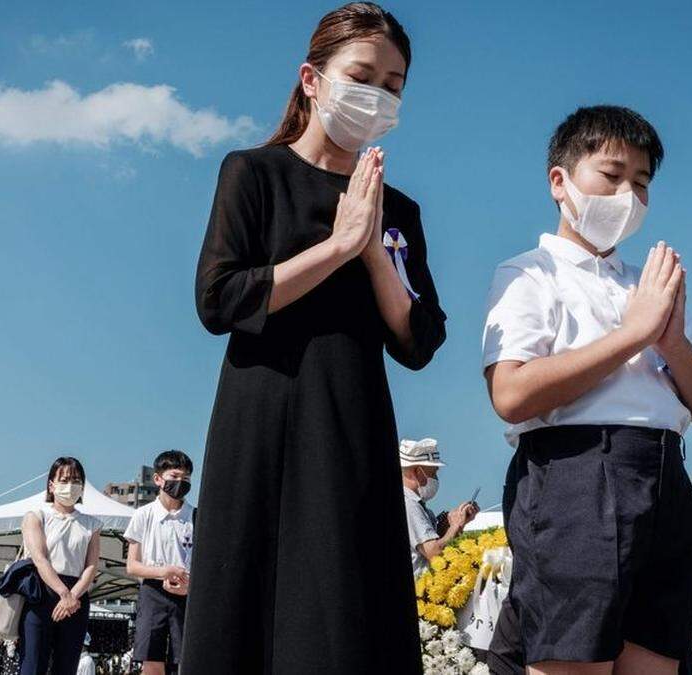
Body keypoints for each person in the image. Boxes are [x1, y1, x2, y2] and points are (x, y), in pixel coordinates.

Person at [186, 3, 446, 671]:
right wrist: (336, 247)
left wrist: (372, 250)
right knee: (249, 608)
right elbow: (219, 299)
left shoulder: (398, 209)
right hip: (262, 414)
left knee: (345, 609)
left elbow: (419, 341)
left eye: (394, 85)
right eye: (362, 75)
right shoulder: (253, 173)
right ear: (311, 79)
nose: (378, 95)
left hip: (352, 419)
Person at [482, 105, 692, 675]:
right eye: (612, 175)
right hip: (574, 472)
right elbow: (512, 392)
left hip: (666, 475)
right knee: (576, 660)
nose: (628, 195)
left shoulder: (649, 285)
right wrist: (633, 335)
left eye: (642, 184)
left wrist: (670, 342)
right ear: (561, 181)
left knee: (654, 662)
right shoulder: (529, 273)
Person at [18, 457, 100, 675]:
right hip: (41, 591)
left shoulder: (92, 524)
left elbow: (91, 566)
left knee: (66, 666)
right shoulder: (36, 516)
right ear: (51, 485)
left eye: (76, 480)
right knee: (33, 664)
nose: (70, 486)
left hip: (77, 596)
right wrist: (63, 593)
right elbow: (40, 558)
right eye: (64, 480)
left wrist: (73, 596)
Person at [124, 451, 195, 674]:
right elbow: (132, 565)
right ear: (158, 479)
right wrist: (163, 571)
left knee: (185, 659)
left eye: (186, 479)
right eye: (175, 476)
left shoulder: (195, 516)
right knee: (151, 659)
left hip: (187, 593)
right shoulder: (143, 514)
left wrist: (189, 585)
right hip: (152, 591)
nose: (180, 483)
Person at [399, 438, 478, 578]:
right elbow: (434, 553)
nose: (436, 478)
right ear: (417, 471)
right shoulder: (409, 504)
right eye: (433, 472)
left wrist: (452, 525)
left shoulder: (417, 505)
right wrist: (455, 526)